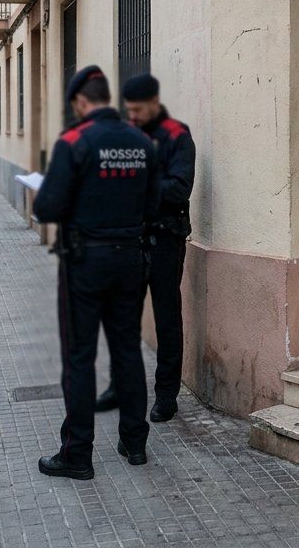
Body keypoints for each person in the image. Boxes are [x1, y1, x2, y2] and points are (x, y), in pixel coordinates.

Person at [33, 66, 159, 480]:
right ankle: (135, 442)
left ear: (80, 102)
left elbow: (46, 208)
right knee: (127, 348)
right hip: (130, 259)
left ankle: (78, 454)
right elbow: (154, 205)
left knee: (80, 356)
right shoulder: (142, 141)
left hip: (85, 262)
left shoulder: (74, 141)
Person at [95, 74, 195, 423]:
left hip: (167, 239)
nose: (133, 116)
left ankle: (167, 394)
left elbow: (179, 189)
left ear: (154, 102)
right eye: (129, 110)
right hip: (129, 239)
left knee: (167, 319)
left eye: (137, 110)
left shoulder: (177, 136)